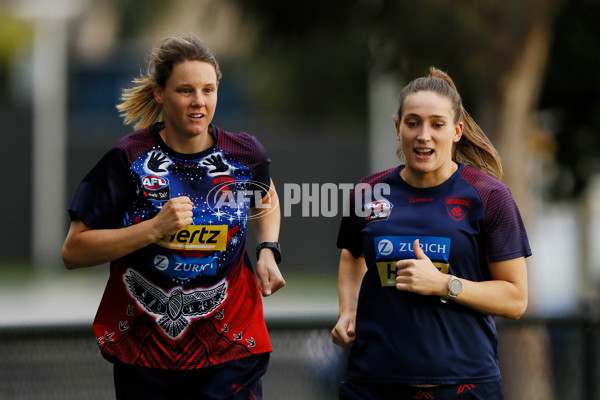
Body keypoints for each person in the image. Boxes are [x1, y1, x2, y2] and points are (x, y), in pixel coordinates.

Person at [62, 35, 285, 400]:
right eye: (186, 90)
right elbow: (73, 251)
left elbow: (267, 196)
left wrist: (268, 250)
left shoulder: (244, 153)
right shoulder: (128, 158)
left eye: (208, 90)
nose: (199, 102)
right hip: (147, 351)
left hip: (229, 346)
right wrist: (153, 229)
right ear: (159, 92)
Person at [331, 67, 530, 400]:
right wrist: (348, 311)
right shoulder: (368, 192)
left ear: (456, 131)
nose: (424, 135)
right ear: (398, 129)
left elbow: (515, 298)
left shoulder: (489, 197)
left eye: (437, 124)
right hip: (374, 384)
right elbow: (353, 255)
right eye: (413, 123)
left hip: (464, 387)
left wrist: (443, 284)